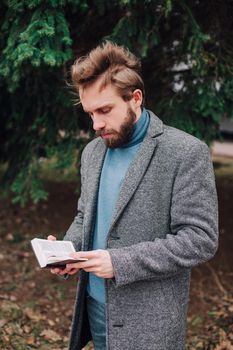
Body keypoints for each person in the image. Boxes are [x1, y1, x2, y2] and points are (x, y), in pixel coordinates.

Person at [48, 41, 218, 350]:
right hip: (95, 310)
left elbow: (200, 238)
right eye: (90, 113)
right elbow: (86, 214)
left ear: (135, 98)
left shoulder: (185, 152)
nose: (97, 124)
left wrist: (120, 262)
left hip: (150, 324)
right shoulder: (92, 152)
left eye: (105, 110)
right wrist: (67, 250)